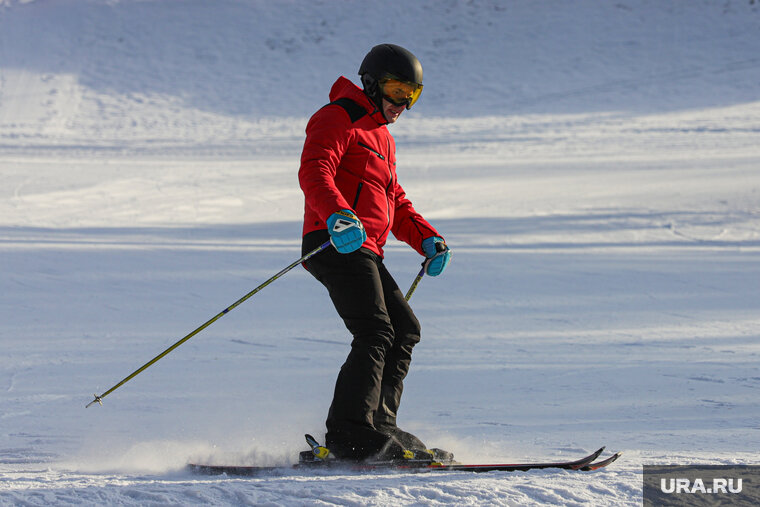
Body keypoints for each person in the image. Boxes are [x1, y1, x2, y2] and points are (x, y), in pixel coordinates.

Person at [298, 43, 452, 462]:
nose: (403, 103)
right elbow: (315, 169)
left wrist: (426, 238)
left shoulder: (383, 136)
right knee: (375, 330)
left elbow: (394, 200)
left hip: (365, 247)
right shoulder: (337, 117)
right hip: (333, 240)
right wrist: (338, 215)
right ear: (371, 82)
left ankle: (380, 425)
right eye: (397, 90)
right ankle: (349, 433)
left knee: (405, 329)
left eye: (412, 94)